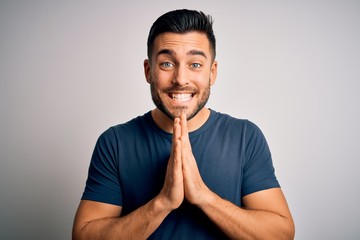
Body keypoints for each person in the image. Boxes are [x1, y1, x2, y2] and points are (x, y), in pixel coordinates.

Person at [72, 9, 295, 240]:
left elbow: (281, 235)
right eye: (167, 63)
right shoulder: (114, 142)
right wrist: (163, 202)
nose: (180, 79)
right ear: (149, 71)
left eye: (195, 64)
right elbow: (83, 236)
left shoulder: (245, 137)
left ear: (212, 72)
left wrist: (203, 196)